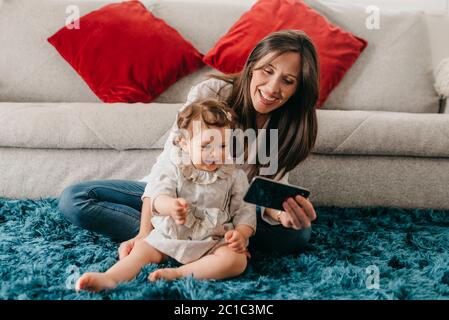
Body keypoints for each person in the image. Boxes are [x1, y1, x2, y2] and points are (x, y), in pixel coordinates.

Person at [59, 29, 319, 259]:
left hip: (227, 211)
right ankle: (189, 242)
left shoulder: (289, 124)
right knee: (75, 198)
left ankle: (199, 241)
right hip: (176, 199)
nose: (273, 88)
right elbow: (168, 163)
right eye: (268, 71)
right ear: (252, 67)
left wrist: (281, 214)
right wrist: (145, 232)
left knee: (298, 235)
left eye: (288, 80)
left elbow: (261, 193)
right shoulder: (213, 93)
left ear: (298, 89)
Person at [76, 100, 256, 292]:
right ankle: (110, 278)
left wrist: (241, 234)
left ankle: (180, 273)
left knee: (236, 261)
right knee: (142, 250)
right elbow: (158, 195)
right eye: (206, 146)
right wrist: (170, 206)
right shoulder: (174, 167)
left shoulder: (234, 175)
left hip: (211, 240)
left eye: (222, 145)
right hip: (171, 234)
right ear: (184, 144)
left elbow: (244, 210)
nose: (215, 153)